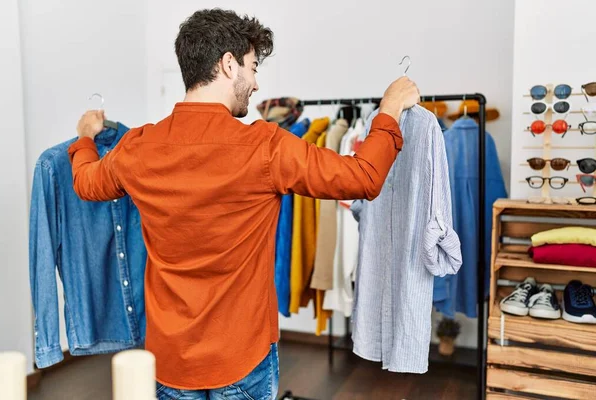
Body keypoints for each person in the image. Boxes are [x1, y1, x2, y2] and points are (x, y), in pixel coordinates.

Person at [71, 8, 419, 400]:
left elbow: (86, 182)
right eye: (253, 68)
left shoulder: (136, 149)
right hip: (242, 359)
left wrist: (85, 138)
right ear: (228, 64)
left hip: (170, 362)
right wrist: (389, 108)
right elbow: (364, 177)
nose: (255, 84)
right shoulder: (264, 147)